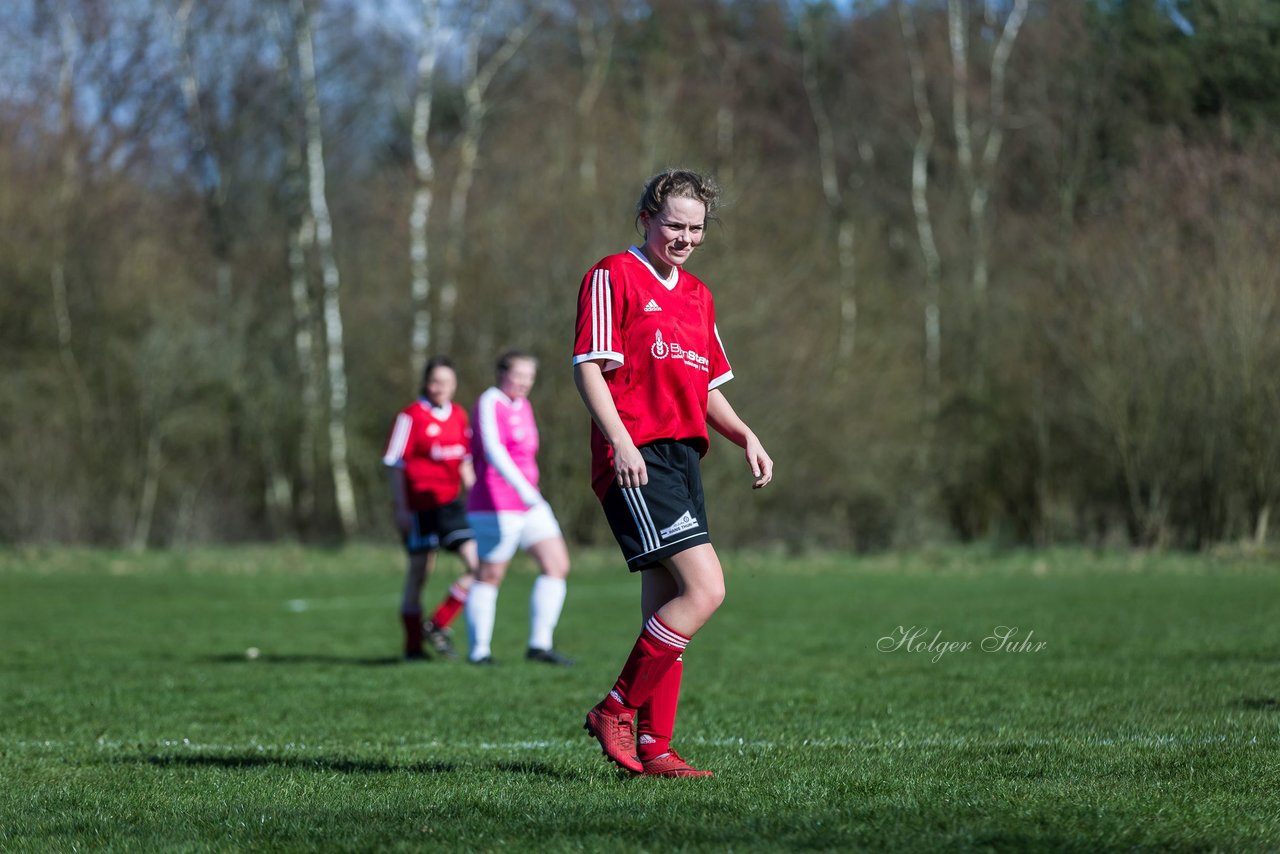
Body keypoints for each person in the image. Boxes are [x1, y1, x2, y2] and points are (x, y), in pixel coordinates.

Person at [572, 168, 773, 777]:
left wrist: (744, 435)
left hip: (683, 459)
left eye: (695, 228)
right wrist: (620, 441)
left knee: (666, 605)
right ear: (646, 219)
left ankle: (656, 747)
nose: (684, 237)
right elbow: (587, 367)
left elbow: (705, 384)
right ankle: (615, 711)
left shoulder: (698, 295)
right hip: (637, 456)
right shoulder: (613, 275)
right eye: (673, 225)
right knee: (706, 589)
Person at [463, 350, 574, 666]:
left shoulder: (524, 405)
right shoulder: (490, 401)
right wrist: (525, 492)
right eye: (518, 375)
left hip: (531, 504)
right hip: (495, 504)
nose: (525, 382)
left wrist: (531, 495)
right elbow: (494, 451)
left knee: (556, 564)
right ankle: (479, 651)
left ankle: (540, 645)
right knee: (490, 574)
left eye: (530, 376)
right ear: (501, 374)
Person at [382, 356, 479, 660]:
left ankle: (438, 623)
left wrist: (478, 499)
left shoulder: (459, 415)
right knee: (419, 573)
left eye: (447, 382)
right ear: (426, 382)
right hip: (420, 507)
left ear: (455, 385)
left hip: (450, 506)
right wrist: (401, 508)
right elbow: (395, 464)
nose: (441, 388)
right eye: (435, 381)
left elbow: (465, 463)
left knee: (479, 565)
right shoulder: (410, 416)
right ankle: (413, 647)